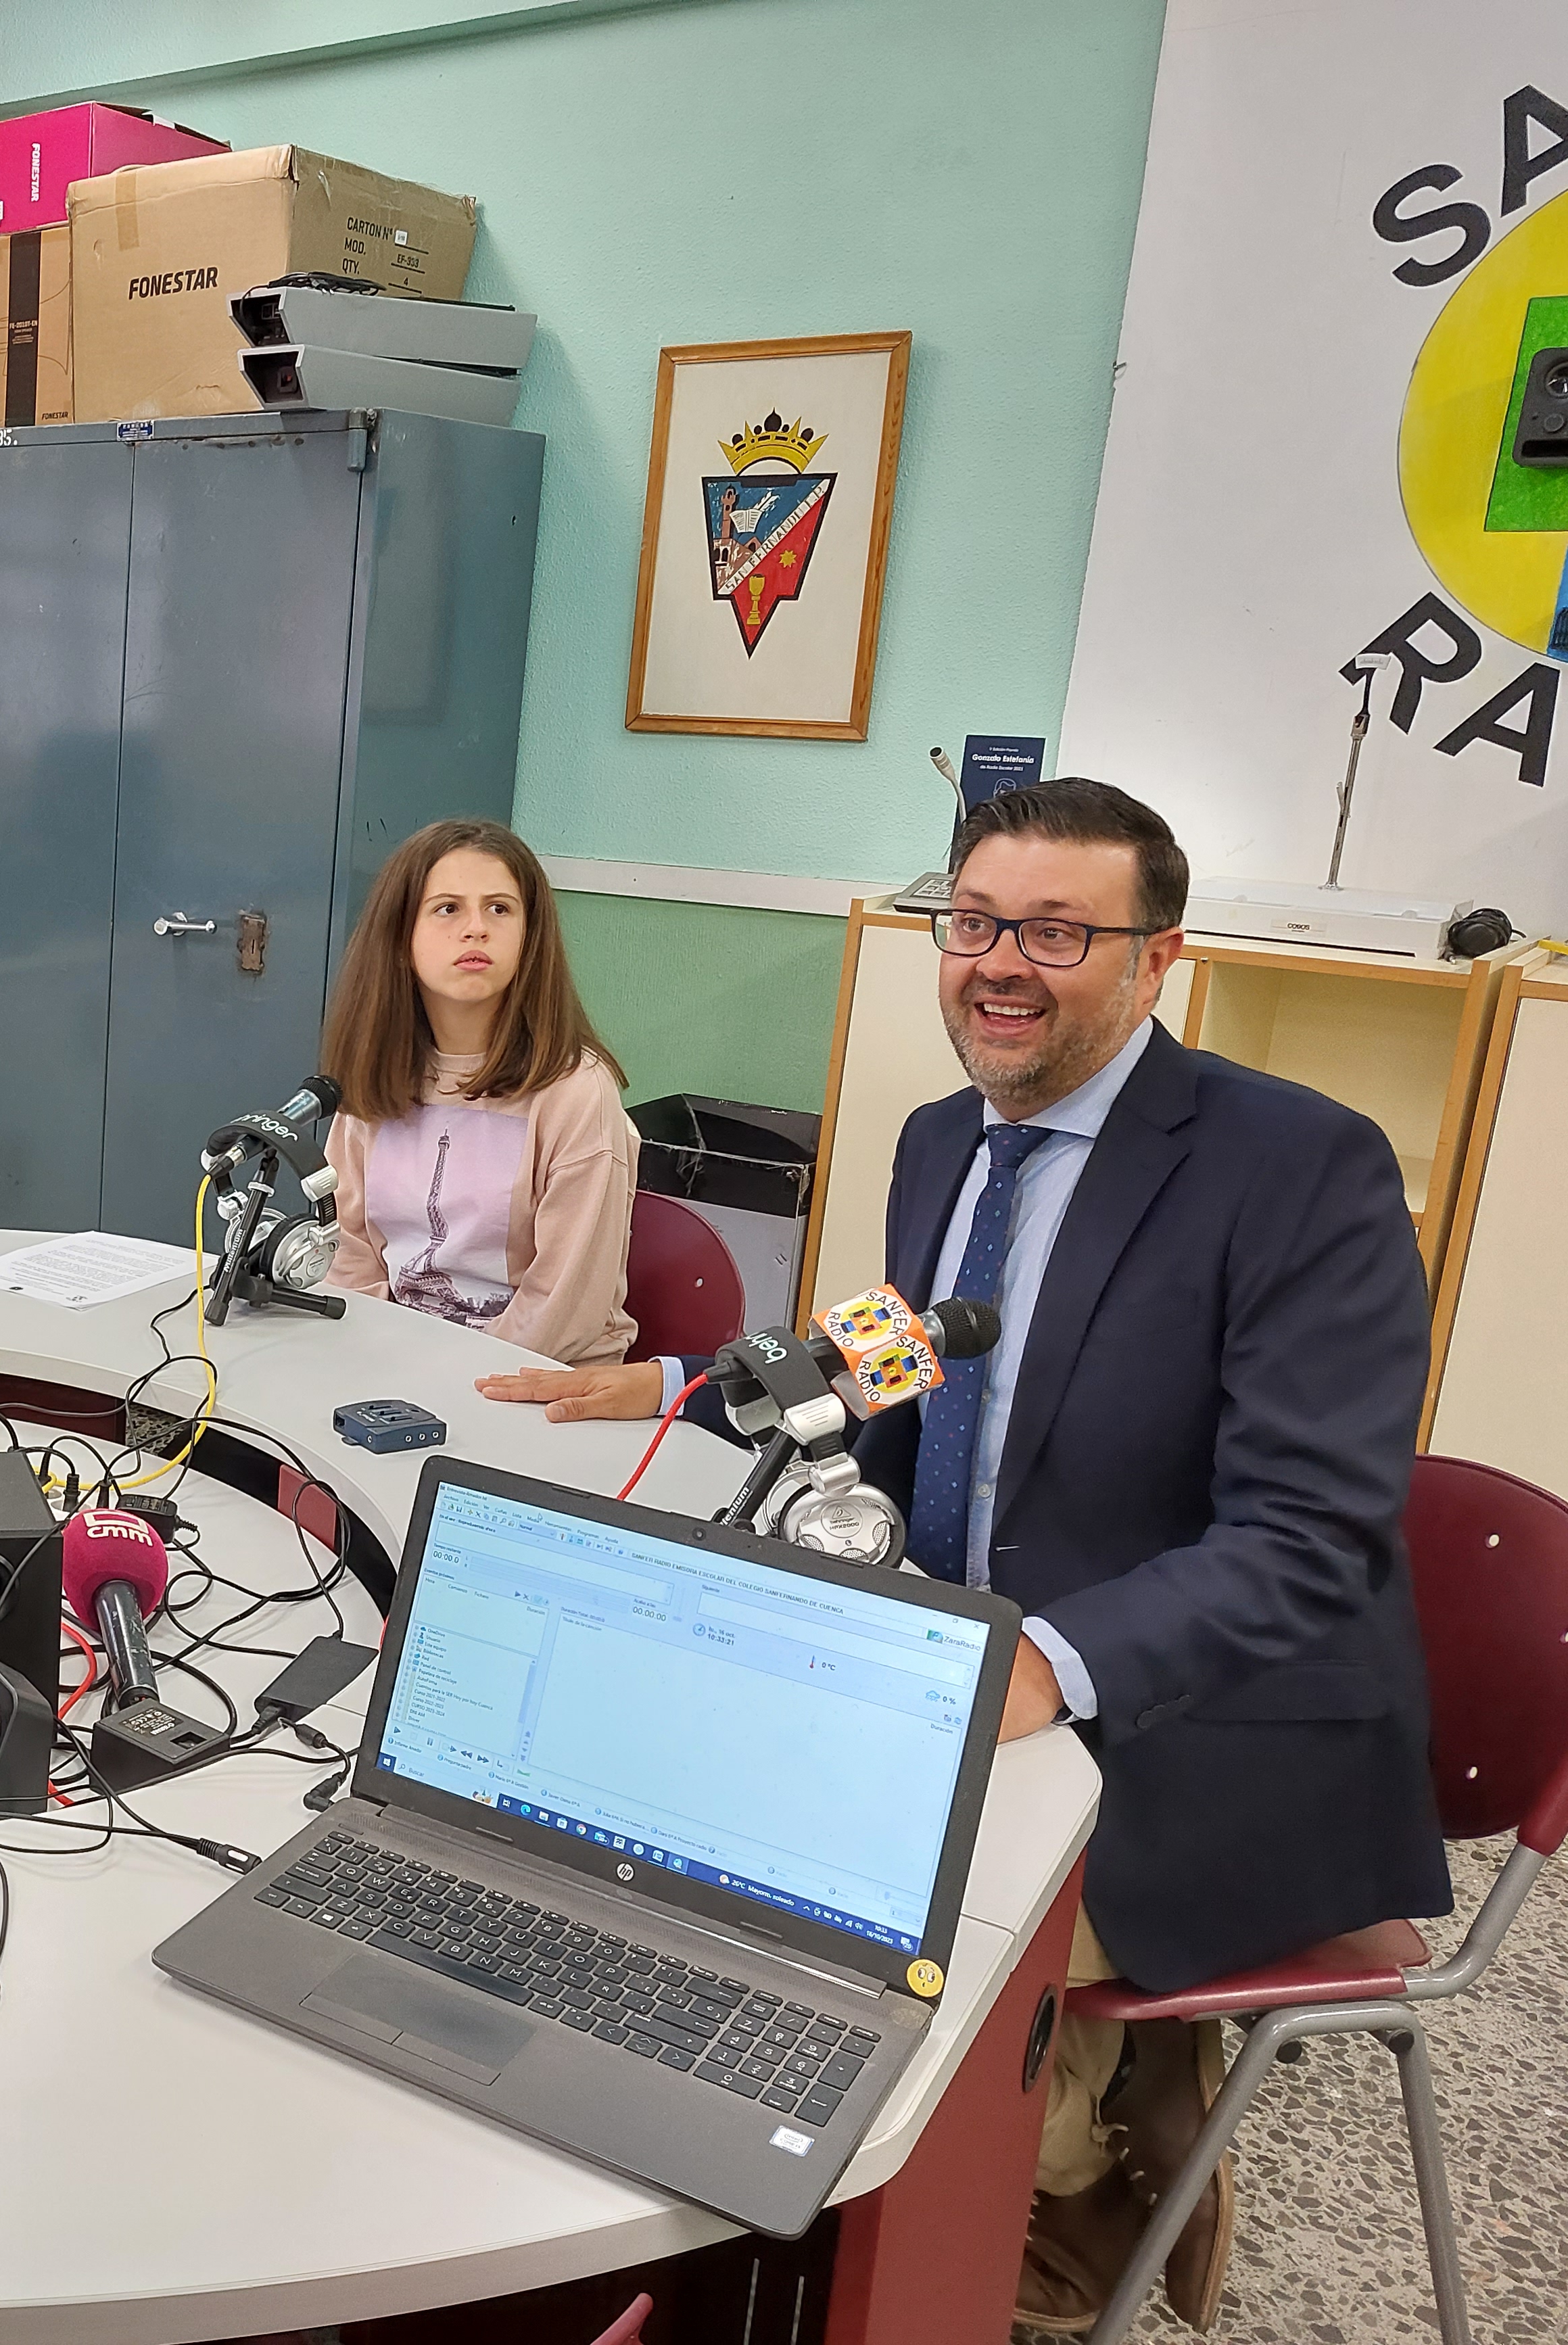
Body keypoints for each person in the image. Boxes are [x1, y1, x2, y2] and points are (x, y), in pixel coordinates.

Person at [479, 778, 1450, 2334]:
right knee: (648, 1814)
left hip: (1208, 1720)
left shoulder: (1298, 1170)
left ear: (1158, 958)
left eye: (1057, 930)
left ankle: (1053, 2173)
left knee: (834, 1934)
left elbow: (1308, 1535)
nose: (998, 960)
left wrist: (1042, 1662)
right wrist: (684, 1388)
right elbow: (909, 1350)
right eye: (975, 919)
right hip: (945, 1662)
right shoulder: (944, 1138)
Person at [318, 818, 638, 1364]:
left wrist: (445, 1378)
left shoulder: (577, 1091)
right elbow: (347, 1257)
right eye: (448, 909)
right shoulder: (377, 1074)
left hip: (538, 1377)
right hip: (392, 1361)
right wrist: (369, 1356)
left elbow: (565, 1307)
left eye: (499, 909)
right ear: (400, 939)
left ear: (529, 937)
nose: (476, 930)